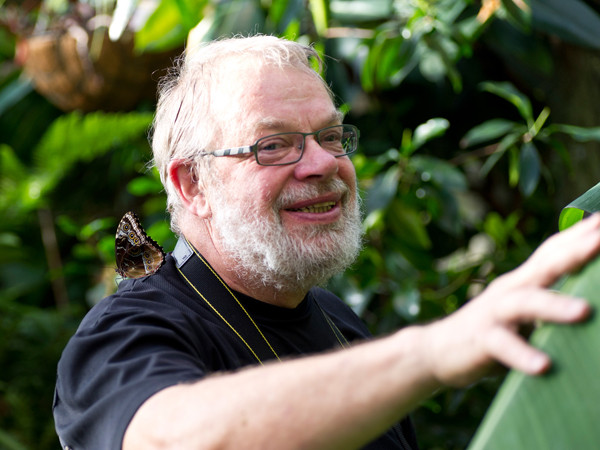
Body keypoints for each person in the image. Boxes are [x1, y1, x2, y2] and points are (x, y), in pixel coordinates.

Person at [52, 35, 600, 450]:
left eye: (331, 136)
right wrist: (435, 351)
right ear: (192, 184)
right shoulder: (125, 334)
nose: (323, 164)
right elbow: (169, 438)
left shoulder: (340, 322)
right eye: (273, 145)